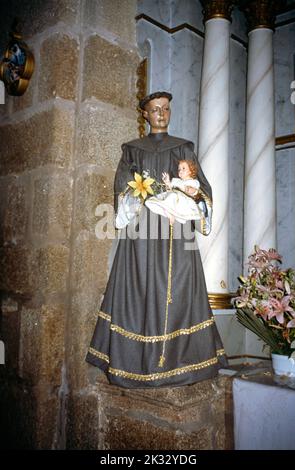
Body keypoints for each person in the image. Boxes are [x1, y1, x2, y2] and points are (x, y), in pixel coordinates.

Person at [86, 91, 227, 388]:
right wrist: (139, 197)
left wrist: (187, 197)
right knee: (138, 287)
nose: (161, 114)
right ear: (145, 115)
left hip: (176, 234)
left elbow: (200, 189)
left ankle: (181, 362)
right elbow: (123, 191)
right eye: (155, 109)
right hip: (141, 234)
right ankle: (135, 361)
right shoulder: (132, 150)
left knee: (178, 287)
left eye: (165, 109)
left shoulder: (183, 148)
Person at [145, 159, 204, 225]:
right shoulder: (176, 181)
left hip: (184, 203)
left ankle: (173, 213)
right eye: (179, 169)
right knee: (161, 199)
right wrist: (167, 182)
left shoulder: (193, 182)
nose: (180, 171)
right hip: (173, 200)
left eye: (183, 168)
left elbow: (192, 191)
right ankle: (169, 214)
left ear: (190, 171)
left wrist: (184, 187)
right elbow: (169, 191)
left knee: (172, 196)